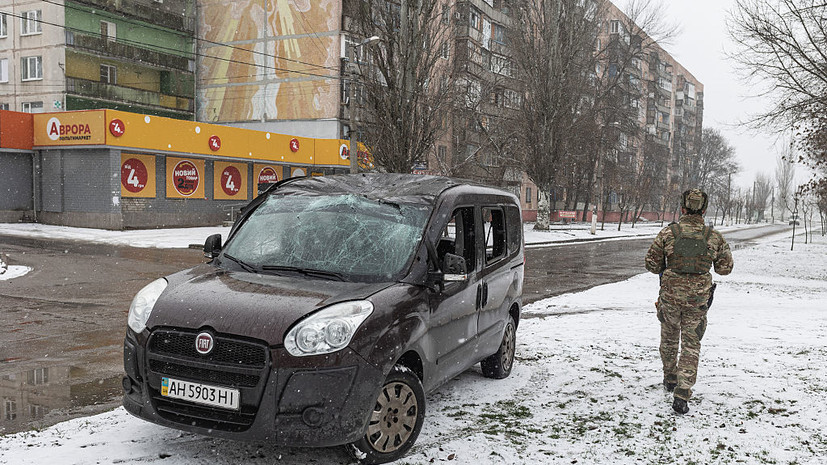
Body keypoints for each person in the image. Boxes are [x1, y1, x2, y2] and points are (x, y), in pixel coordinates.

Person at [645, 189, 734, 414]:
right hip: (697, 301)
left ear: (682, 208)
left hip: (670, 298)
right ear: (704, 210)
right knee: (691, 345)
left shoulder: (668, 233)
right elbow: (725, 268)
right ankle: (683, 393)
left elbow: (652, 264)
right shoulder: (713, 237)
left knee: (669, 339)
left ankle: (670, 377)